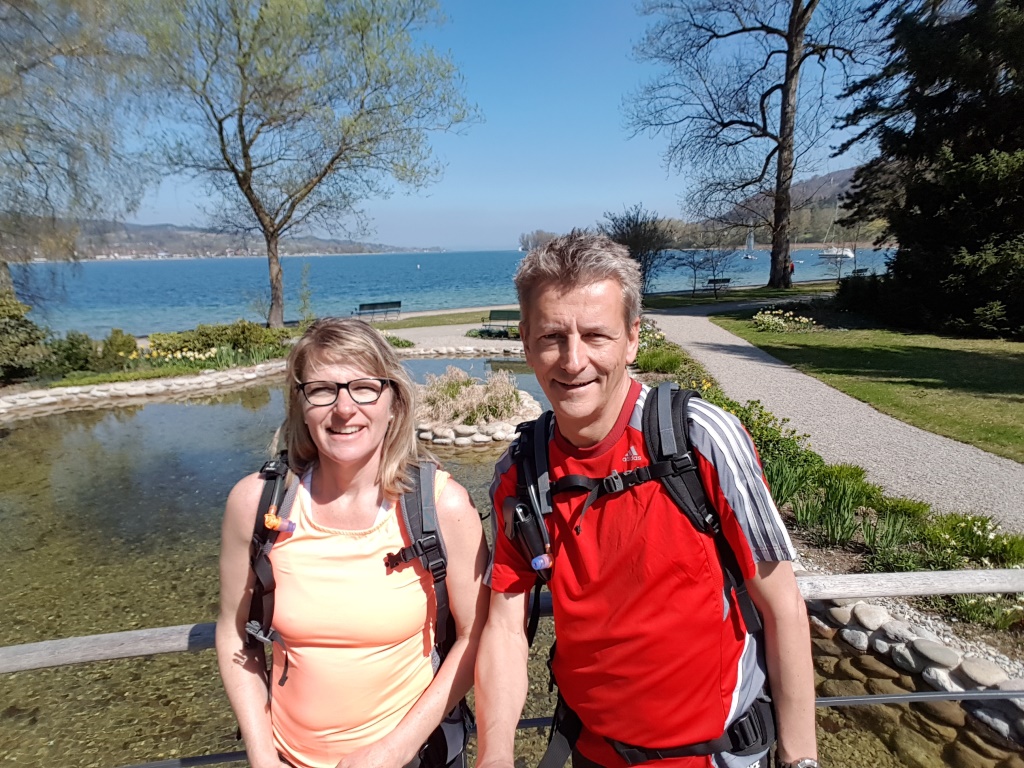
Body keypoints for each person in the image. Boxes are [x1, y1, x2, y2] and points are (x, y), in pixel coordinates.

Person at [474, 233, 818, 768]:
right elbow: (503, 627)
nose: (572, 360)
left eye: (595, 335)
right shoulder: (520, 474)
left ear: (632, 339)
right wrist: (493, 757)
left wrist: (801, 761)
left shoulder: (699, 438)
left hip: (718, 756)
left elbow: (784, 607)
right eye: (551, 337)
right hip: (593, 753)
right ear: (524, 343)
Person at [217, 317, 489, 768]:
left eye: (364, 387)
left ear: (394, 402)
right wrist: (263, 755)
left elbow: (476, 634)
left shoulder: (442, 507)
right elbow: (233, 633)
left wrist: (392, 751)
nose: (344, 408)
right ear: (300, 404)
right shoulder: (256, 504)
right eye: (322, 390)